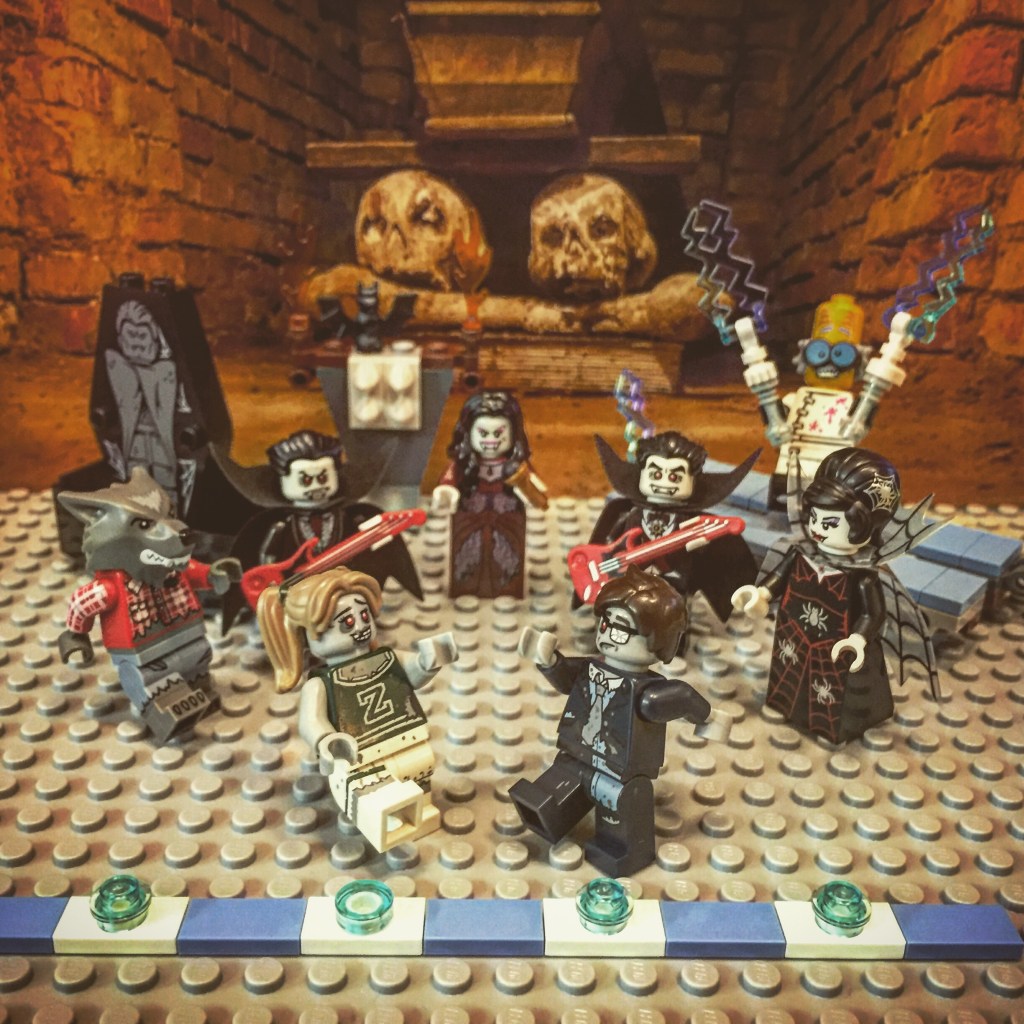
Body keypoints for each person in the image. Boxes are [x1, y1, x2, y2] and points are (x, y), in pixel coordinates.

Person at [432, 391, 547, 598]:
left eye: (499, 434)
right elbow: (450, 477)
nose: (491, 441)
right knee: (468, 551)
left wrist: (530, 491)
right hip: (471, 515)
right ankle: (466, 583)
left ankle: (507, 584)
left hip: (506, 516)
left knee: (506, 553)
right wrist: (446, 490)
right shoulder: (466, 464)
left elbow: (534, 488)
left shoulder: (515, 466)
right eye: (483, 434)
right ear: (468, 432)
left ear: (513, 434)